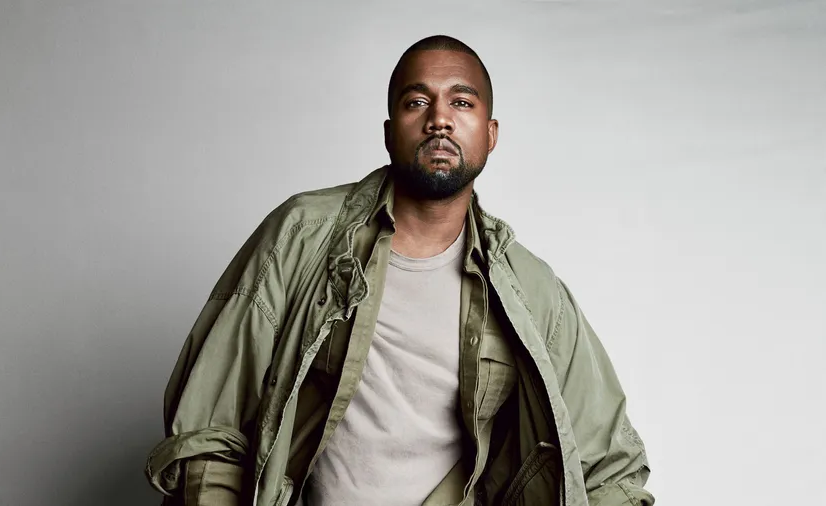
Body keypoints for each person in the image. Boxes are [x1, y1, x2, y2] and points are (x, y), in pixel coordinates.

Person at [145, 35, 654, 506]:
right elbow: (208, 428)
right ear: (390, 133)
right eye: (416, 102)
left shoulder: (530, 290)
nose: (439, 119)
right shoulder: (302, 234)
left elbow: (609, 469)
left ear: (491, 133)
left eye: (462, 102)